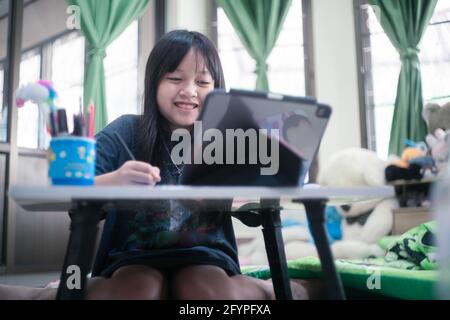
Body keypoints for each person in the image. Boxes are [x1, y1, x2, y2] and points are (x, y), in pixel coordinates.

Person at [0, 30, 322, 300]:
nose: (189, 91)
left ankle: (284, 290)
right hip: (131, 257)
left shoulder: (230, 138)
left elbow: (287, 172)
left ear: (217, 88)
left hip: (207, 256)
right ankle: (45, 293)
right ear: (154, 83)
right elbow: (68, 189)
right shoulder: (125, 131)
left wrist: (264, 178)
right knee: (142, 291)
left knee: (201, 291)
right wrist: (113, 181)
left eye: (203, 82)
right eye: (174, 78)